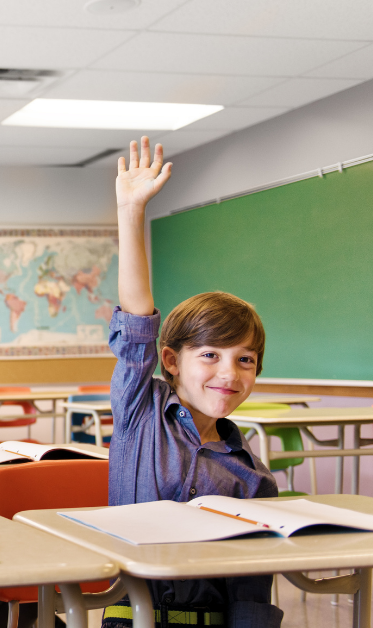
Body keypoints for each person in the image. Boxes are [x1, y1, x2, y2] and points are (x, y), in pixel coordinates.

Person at [104, 137, 281, 627]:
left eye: (245, 359)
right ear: (170, 359)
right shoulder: (141, 412)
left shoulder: (253, 477)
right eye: (209, 355)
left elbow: (253, 589)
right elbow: (136, 321)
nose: (229, 373)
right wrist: (131, 211)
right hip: (131, 617)